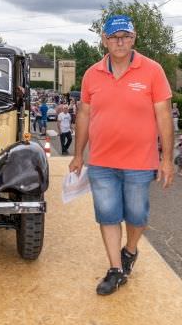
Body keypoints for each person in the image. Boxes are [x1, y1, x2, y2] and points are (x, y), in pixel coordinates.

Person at [69, 15, 174, 296]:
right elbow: (84, 115)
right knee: (108, 215)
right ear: (104, 40)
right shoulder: (92, 74)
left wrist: (166, 159)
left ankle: (129, 250)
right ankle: (116, 270)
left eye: (125, 36)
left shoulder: (152, 71)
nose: (120, 42)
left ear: (134, 38)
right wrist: (78, 154)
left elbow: (164, 115)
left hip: (140, 161)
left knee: (137, 216)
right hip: (102, 160)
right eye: (114, 37)